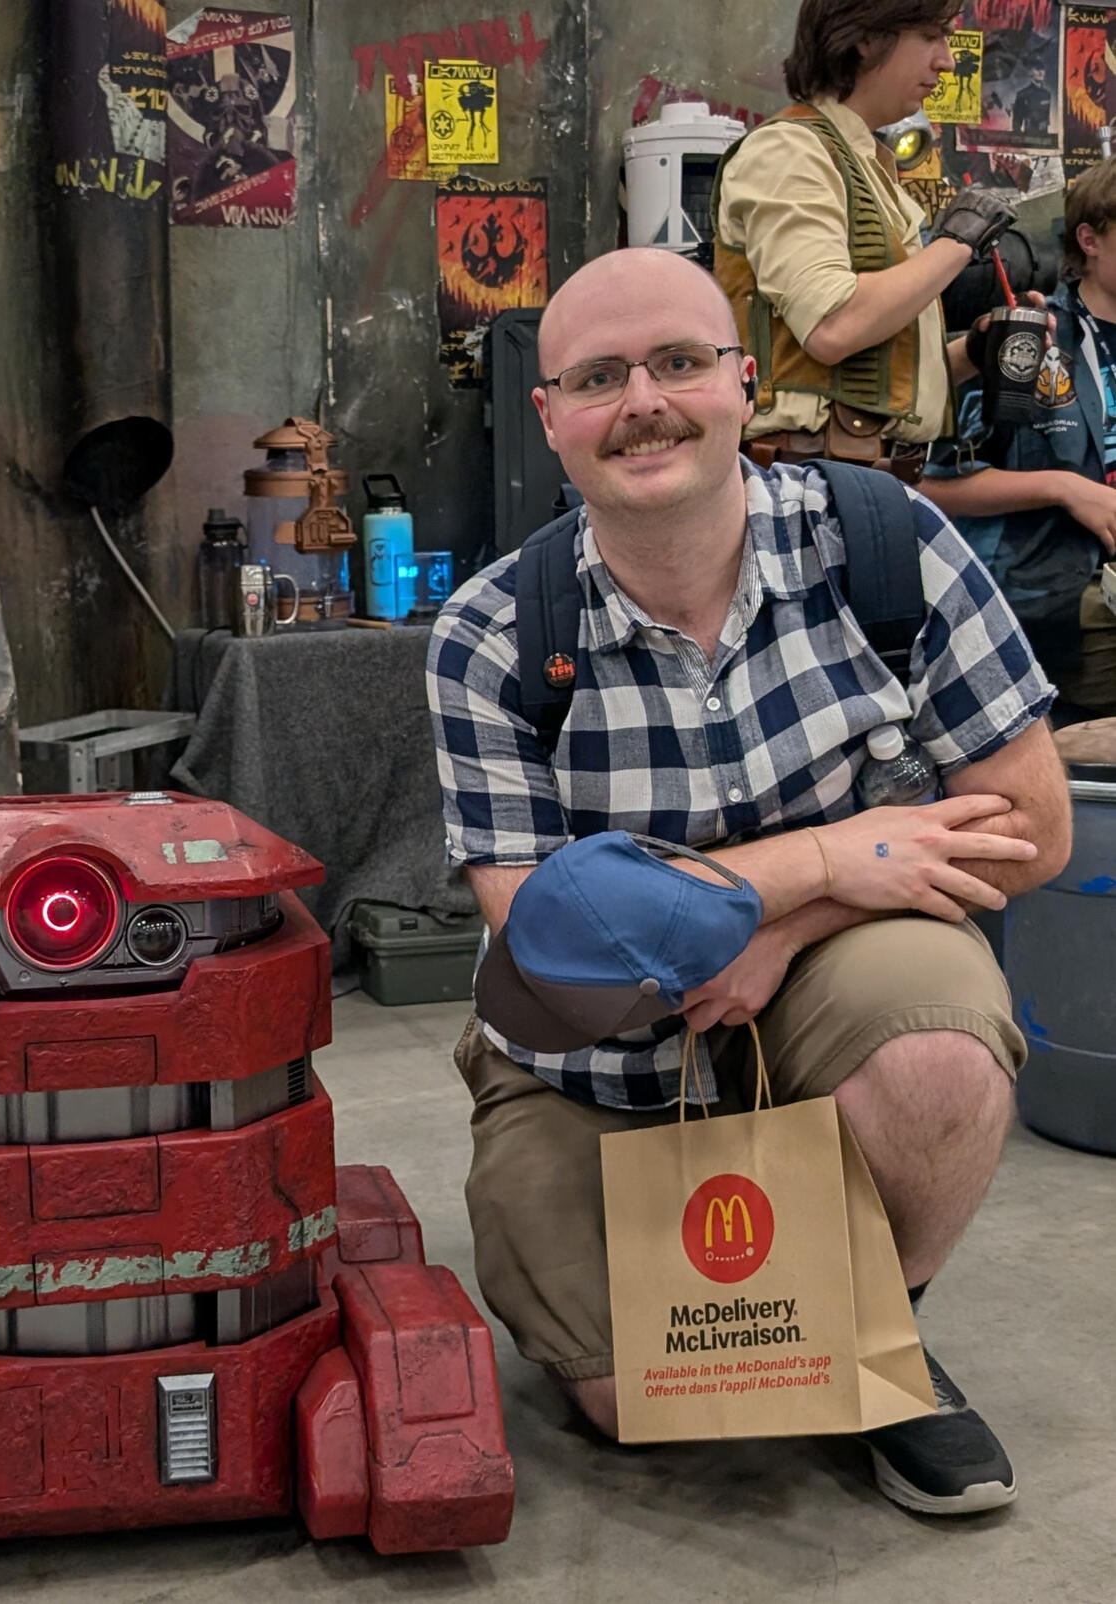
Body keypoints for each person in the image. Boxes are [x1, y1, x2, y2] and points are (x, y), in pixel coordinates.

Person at [426, 248, 1072, 1514]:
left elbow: (1034, 828)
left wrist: (785, 927)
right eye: (598, 378)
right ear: (549, 417)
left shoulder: (886, 547)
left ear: (742, 382)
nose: (644, 403)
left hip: (823, 983)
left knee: (937, 1046)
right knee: (639, 1401)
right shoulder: (492, 634)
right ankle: (784, 1303)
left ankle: (883, 1335)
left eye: (678, 362)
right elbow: (557, 942)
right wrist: (825, 857)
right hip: (593, 1054)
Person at [712, 0, 1016, 477]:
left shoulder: (866, 163)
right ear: (866, 39)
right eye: (930, 36)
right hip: (810, 482)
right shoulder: (790, 149)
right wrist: (958, 242)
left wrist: (976, 352)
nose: (946, 61)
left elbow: (874, 379)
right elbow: (832, 326)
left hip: (867, 478)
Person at [922, 160, 1116, 721]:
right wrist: (1065, 489)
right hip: (1052, 590)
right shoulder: (1028, 334)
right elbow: (930, 484)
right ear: (1090, 240)